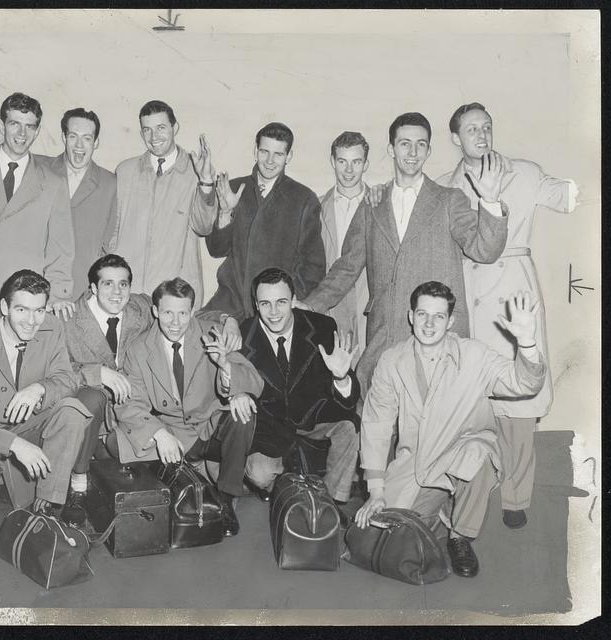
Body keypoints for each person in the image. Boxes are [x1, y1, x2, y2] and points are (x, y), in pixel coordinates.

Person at [437, 102, 579, 530]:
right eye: (471, 129)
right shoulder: (445, 186)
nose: (481, 135)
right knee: (472, 402)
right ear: (455, 139)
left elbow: (575, 196)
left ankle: (516, 496)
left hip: (513, 293)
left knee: (519, 403)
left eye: (486, 127)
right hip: (468, 297)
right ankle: (473, 484)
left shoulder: (526, 172)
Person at [301, 112, 509, 394]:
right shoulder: (372, 204)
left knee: (434, 429)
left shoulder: (449, 200)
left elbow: (485, 250)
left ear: (429, 150)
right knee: (376, 422)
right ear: (391, 149)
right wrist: (311, 305)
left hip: (437, 339)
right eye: (404, 144)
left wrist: (491, 201)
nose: (413, 152)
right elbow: (347, 266)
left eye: (421, 144)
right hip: (383, 338)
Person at [354, 281, 547, 578]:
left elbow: (524, 383)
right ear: (410, 316)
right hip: (417, 461)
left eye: (439, 316)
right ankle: (441, 507)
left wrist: (528, 343)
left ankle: (460, 535)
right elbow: (377, 423)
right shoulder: (391, 361)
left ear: (451, 321)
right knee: (384, 533)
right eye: (422, 315)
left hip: (465, 448)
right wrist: (376, 490)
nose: (429, 324)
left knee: (477, 457)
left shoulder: (474, 355)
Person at [0, 270, 106, 528]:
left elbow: (66, 378)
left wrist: (39, 389)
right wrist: (15, 444)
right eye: (22, 310)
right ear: (4, 307)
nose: (32, 321)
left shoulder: (52, 327)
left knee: (72, 411)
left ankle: (48, 503)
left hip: (27, 424)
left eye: (39, 310)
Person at [112, 278, 264, 536]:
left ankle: (226, 500)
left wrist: (227, 369)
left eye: (183, 313)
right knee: (118, 443)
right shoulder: (138, 349)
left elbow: (255, 380)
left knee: (243, 414)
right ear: (155, 312)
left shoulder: (211, 332)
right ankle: (189, 478)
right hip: (173, 433)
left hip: (211, 426)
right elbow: (129, 402)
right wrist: (159, 434)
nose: (175, 322)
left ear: (192, 312)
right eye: (168, 313)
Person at [0, 104, 117, 303]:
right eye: (73, 136)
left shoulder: (111, 183)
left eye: (87, 138)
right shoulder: (41, 168)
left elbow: (110, 244)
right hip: (35, 292)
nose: (79, 145)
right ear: (64, 138)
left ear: (96, 142)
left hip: (81, 293)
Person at [0, 92, 75, 333]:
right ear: (1, 125)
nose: (21, 134)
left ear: (37, 131)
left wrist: (58, 294)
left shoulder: (53, 183)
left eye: (29, 127)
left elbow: (61, 249)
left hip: (21, 306)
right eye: (14, 124)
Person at [236, 268, 360, 509]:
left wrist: (341, 376)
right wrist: (237, 391)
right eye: (265, 304)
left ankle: (330, 501)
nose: (273, 312)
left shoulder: (323, 327)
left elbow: (348, 402)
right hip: (270, 429)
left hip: (313, 418)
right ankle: (283, 487)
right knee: (259, 475)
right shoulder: (243, 334)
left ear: (294, 300)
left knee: (350, 427)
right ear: (256, 304)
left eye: (281, 302)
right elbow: (230, 376)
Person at [199, 122, 325, 322]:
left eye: (278, 154)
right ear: (255, 151)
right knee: (197, 333)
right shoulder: (233, 188)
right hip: (230, 303)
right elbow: (215, 249)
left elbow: (314, 266)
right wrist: (226, 212)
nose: (269, 161)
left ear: (289, 156)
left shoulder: (304, 199)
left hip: (274, 312)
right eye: (264, 152)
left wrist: (284, 301)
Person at [112, 100, 217, 301]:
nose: (154, 137)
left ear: (175, 127)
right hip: (128, 294)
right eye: (147, 130)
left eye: (161, 128)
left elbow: (204, 227)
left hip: (176, 295)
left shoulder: (197, 171)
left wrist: (205, 182)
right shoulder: (125, 171)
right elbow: (113, 231)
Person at [62, 254, 153, 426]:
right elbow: (55, 370)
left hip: (133, 412)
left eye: (123, 284)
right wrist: (97, 373)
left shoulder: (141, 309)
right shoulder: (67, 320)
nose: (117, 292)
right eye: (108, 284)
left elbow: (175, 311)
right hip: (86, 416)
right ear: (94, 288)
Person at [318, 131, 372, 365]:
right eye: (342, 161)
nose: (349, 171)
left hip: (367, 300)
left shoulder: (381, 205)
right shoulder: (316, 208)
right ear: (333, 162)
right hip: (330, 305)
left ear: (366, 164)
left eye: (356, 162)